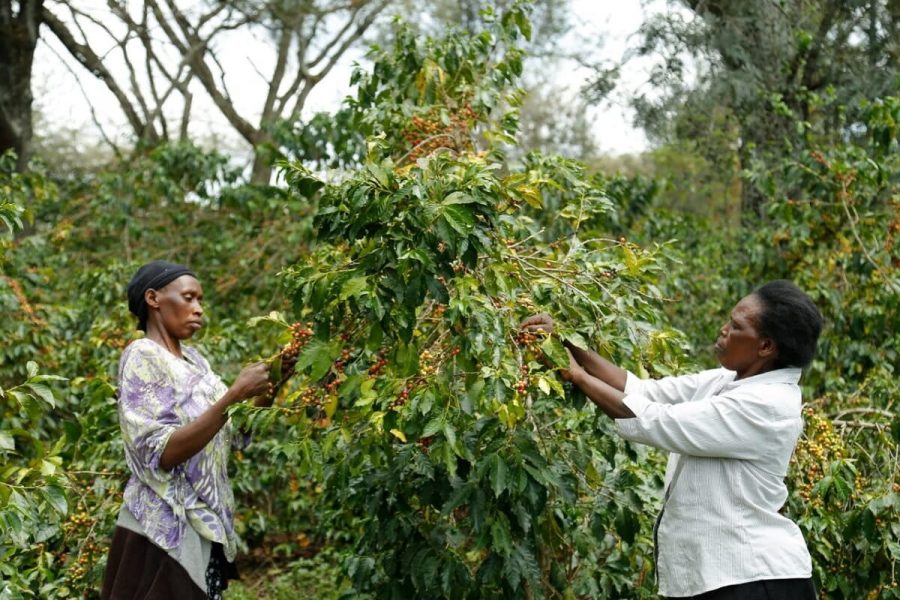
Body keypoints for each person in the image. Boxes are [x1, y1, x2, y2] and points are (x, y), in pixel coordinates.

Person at [521, 280, 823, 600]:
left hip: (754, 581)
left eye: (735, 327)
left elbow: (657, 421)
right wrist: (567, 343)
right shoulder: (728, 381)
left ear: (765, 347)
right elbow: (642, 391)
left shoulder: (768, 404)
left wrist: (578, 376)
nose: (723, 330)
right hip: (722, 579)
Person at [101, 260, 276, 600]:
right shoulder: (142, 355)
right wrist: (235, 393)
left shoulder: (196, 362)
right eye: (189, 297)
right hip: (161, 532)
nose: (198, 309)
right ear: (154, 299)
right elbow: (161, 452)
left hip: (202, 526)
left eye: (201, 301)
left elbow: (235, 433)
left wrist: (271, 386)